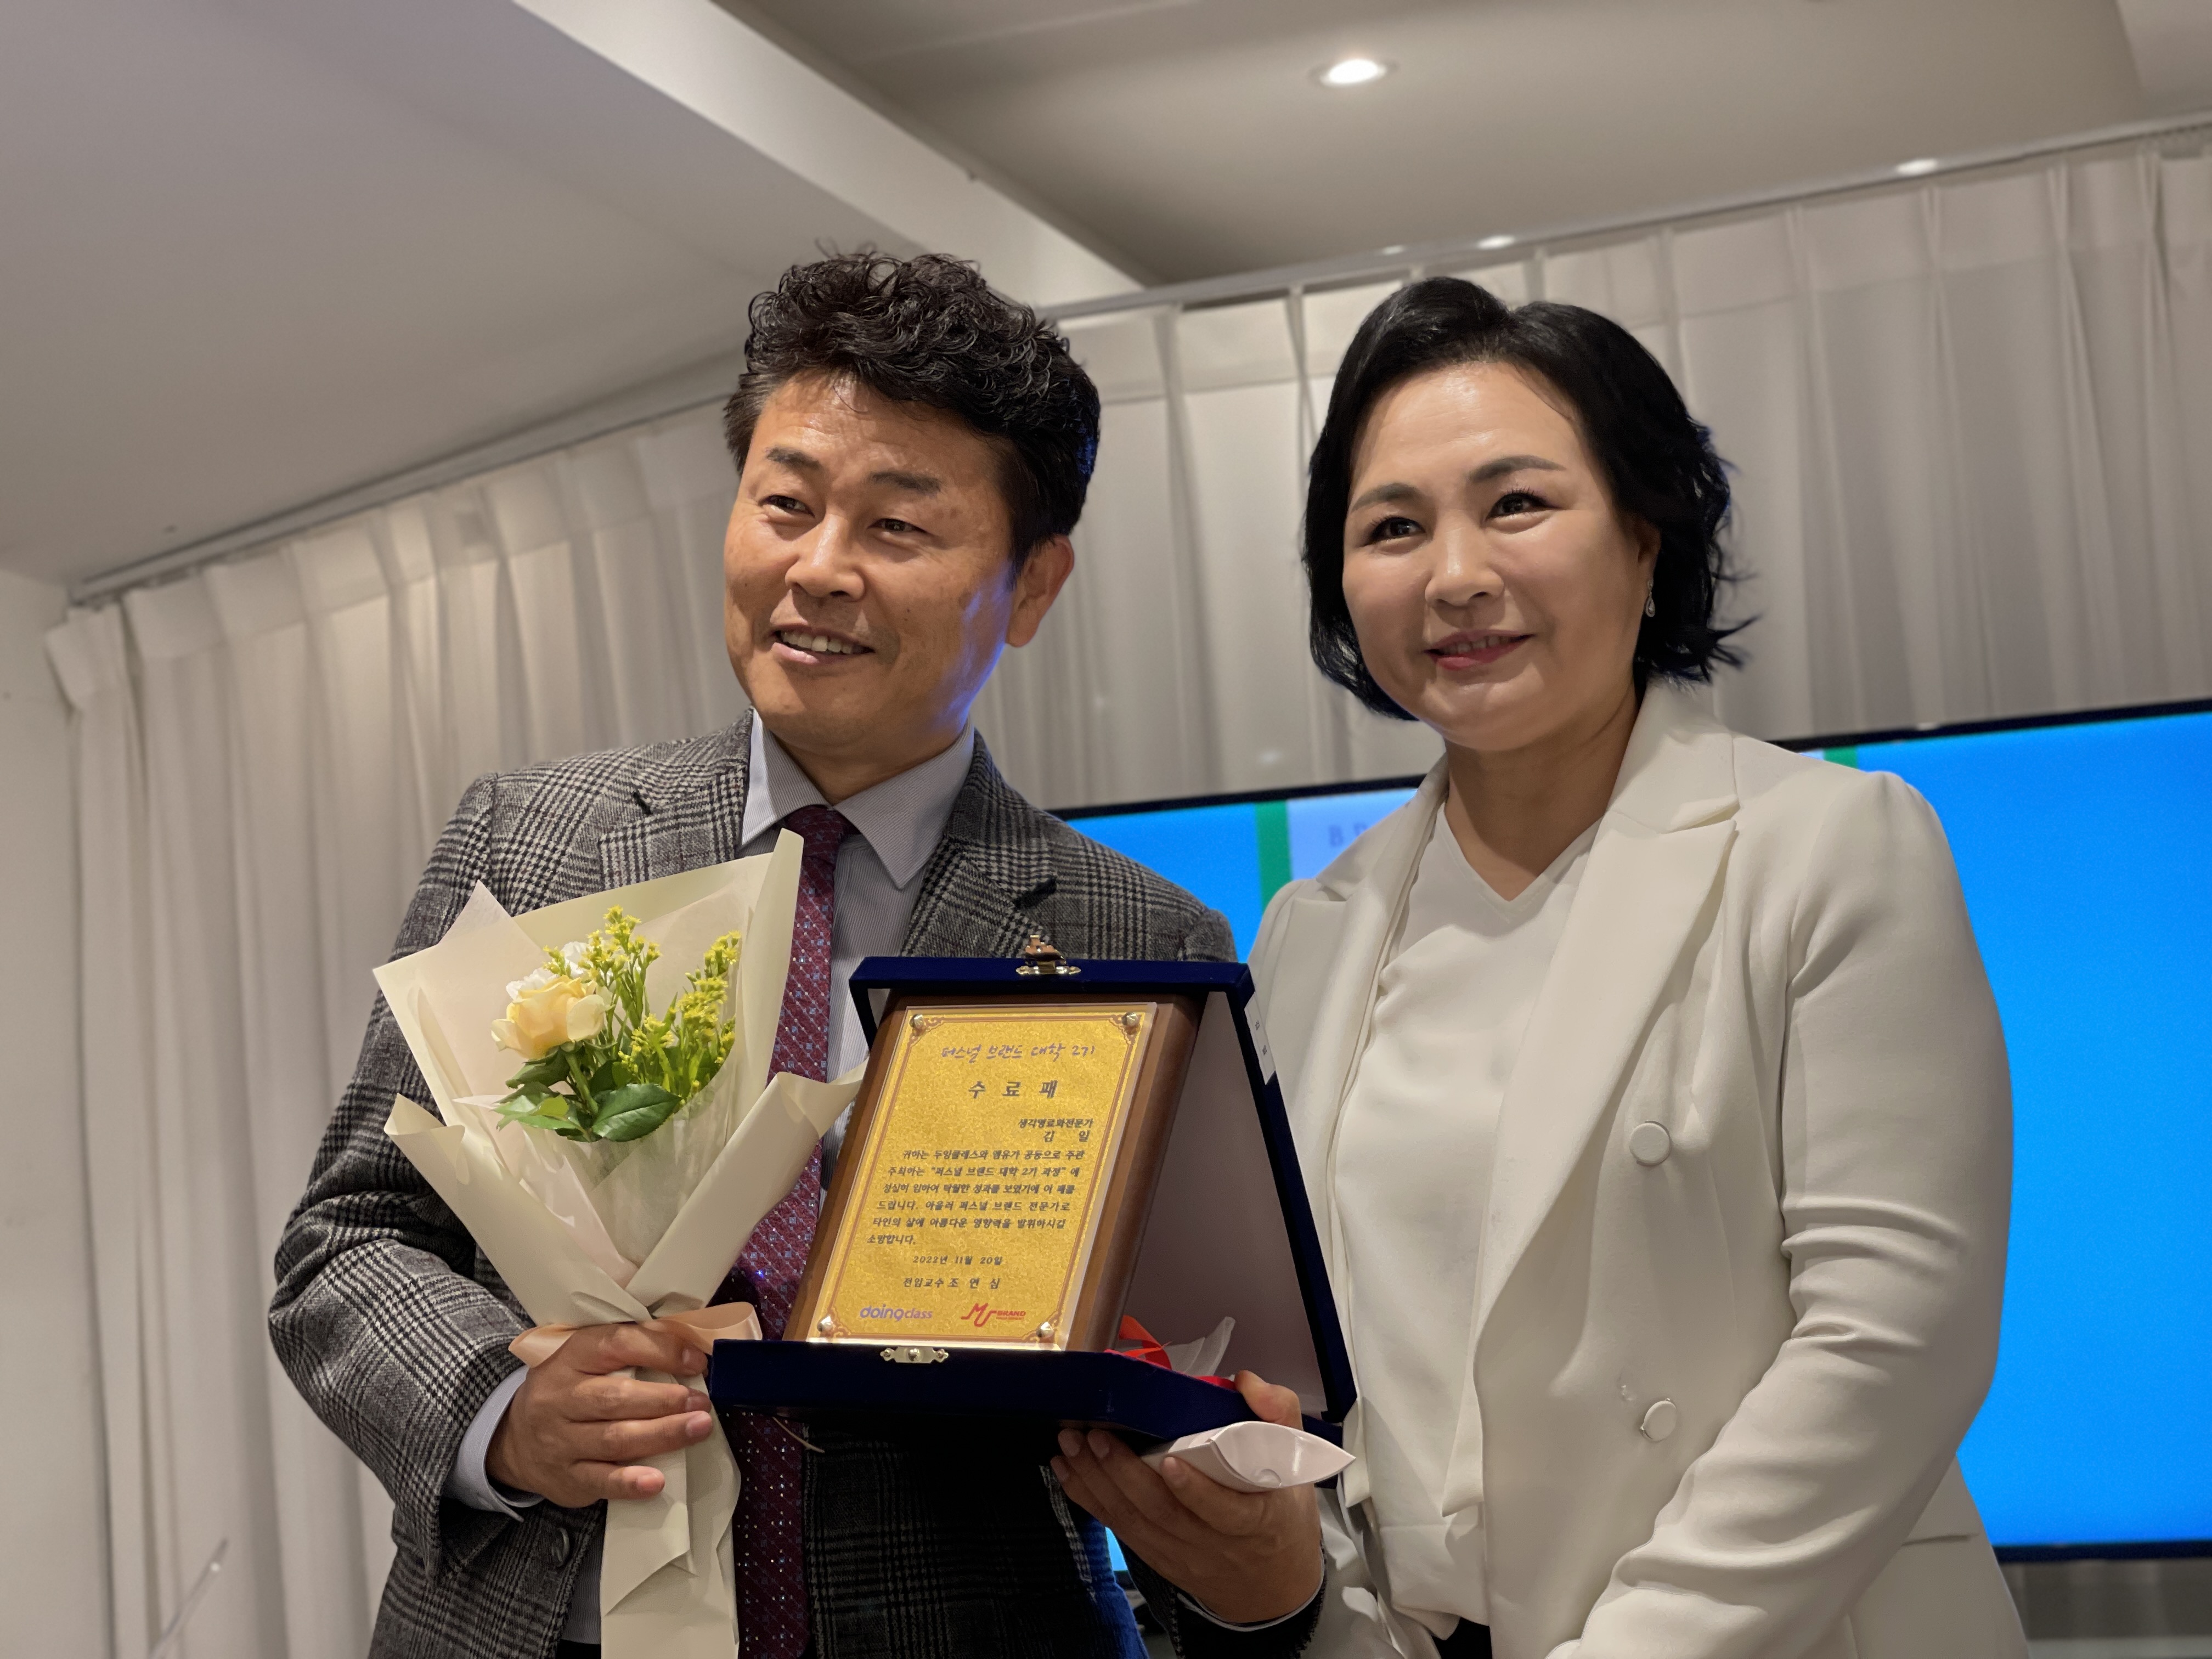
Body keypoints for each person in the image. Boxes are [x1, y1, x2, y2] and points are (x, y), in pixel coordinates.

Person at [269, 253, 1324, 1659]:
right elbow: (350, 1237)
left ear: (1032, 585)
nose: (819, 568)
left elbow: (1186, 1355)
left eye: (898, 524)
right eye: (786, 503)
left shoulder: (1135, 939)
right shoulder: (535, 842)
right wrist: (500, 1413)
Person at [1066, 276, 2026, 1659]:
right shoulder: (1308, 928)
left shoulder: (1831, 845)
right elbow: (1299, 1373)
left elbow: (1892, 1341)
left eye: (1515, 503)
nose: (1455, 575)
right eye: (1393, 527)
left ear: (1645, 535)